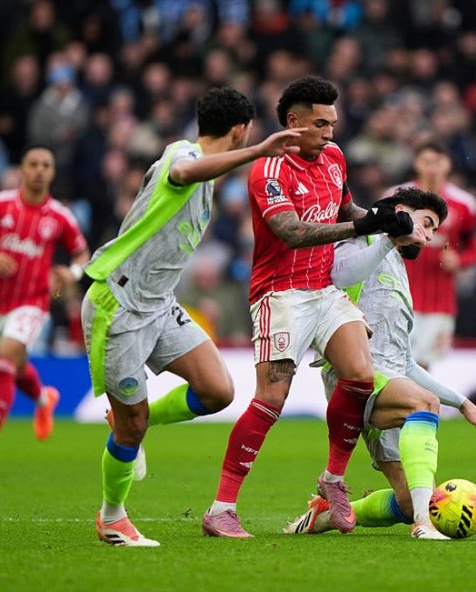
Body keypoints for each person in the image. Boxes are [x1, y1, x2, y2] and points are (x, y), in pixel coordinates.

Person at [82, 87, 304, 547]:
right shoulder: (183, 156)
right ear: (240, 130)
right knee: (132, 425)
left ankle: (128, 423)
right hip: (119, 306)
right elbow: (182, 172)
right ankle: (112, 517)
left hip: (159, 304)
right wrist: (258, 152)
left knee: (217, 390)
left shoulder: (203, 172)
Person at [203, 75, 410, 538]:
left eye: (332, 124)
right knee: (271, 400)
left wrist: (385, 222)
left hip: (323, 288)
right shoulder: (268, 170)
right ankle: (220, 509)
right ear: (293, 122)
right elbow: (292, 232)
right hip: (280, 294)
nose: (329, 133)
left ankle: (332, 478)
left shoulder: (334, 157)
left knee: (360, 375)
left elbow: (346, 211)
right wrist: (361, 229)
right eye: (320, 124)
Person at [282, 186, 476, 540]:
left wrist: (462, 403)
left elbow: (405, 363)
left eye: (434, 231)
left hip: (391, 381)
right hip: (354, 376)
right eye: (426, 223)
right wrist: (388, 236)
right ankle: (424, 524)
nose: (429, 236)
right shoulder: (364, 239)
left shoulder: (399, 267)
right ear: (401, 210)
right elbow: (338, 274)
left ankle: (324, 516)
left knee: (406, 500)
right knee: (424, 403)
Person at [0, 144, 89, 468]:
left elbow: (82, 254)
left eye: (46, 165)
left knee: (5, 360)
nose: (39, 171)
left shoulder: (60, 216)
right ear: (22, 168)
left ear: (52, 172)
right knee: (14, 368)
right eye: (33, 164)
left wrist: (71, 273)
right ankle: (44, 398)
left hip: (33, 303)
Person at [388, 140, 476, 369]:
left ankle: (418, 395)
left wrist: (459, 260)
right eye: (426, 162)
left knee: (423, 365)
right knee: (393, 360)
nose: (432, 168)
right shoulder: (397, 198)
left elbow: (474, 249)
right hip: (398, 294)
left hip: (439, 301)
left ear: (448, 165)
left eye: (437, 162)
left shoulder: (464, 204)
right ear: (416, 164)